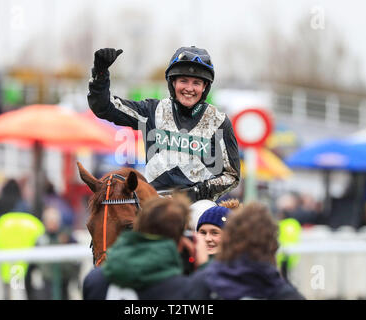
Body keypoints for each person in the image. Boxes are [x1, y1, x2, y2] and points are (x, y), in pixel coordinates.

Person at [88, 46, 241, 202]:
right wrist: (100, 73)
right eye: (183, 81)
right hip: (152, 203)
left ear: (205, 87)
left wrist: (194, 193)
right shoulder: (151, 111)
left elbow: (232, 176)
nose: (189, 88)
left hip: (197, 205)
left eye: (196, 83)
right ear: (172, 82)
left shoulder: (219, 121)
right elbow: (103, 107)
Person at [82, 194, 208, 300]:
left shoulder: (94, 280)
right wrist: (203, 266)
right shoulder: (184, 288)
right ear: (181, 240)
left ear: (138, 227)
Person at [189, 202, 305, 300]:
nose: (208, 239)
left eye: (215, 232)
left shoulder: (207, 280)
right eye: (202, 232)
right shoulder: (283, 291)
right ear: (272, 245)